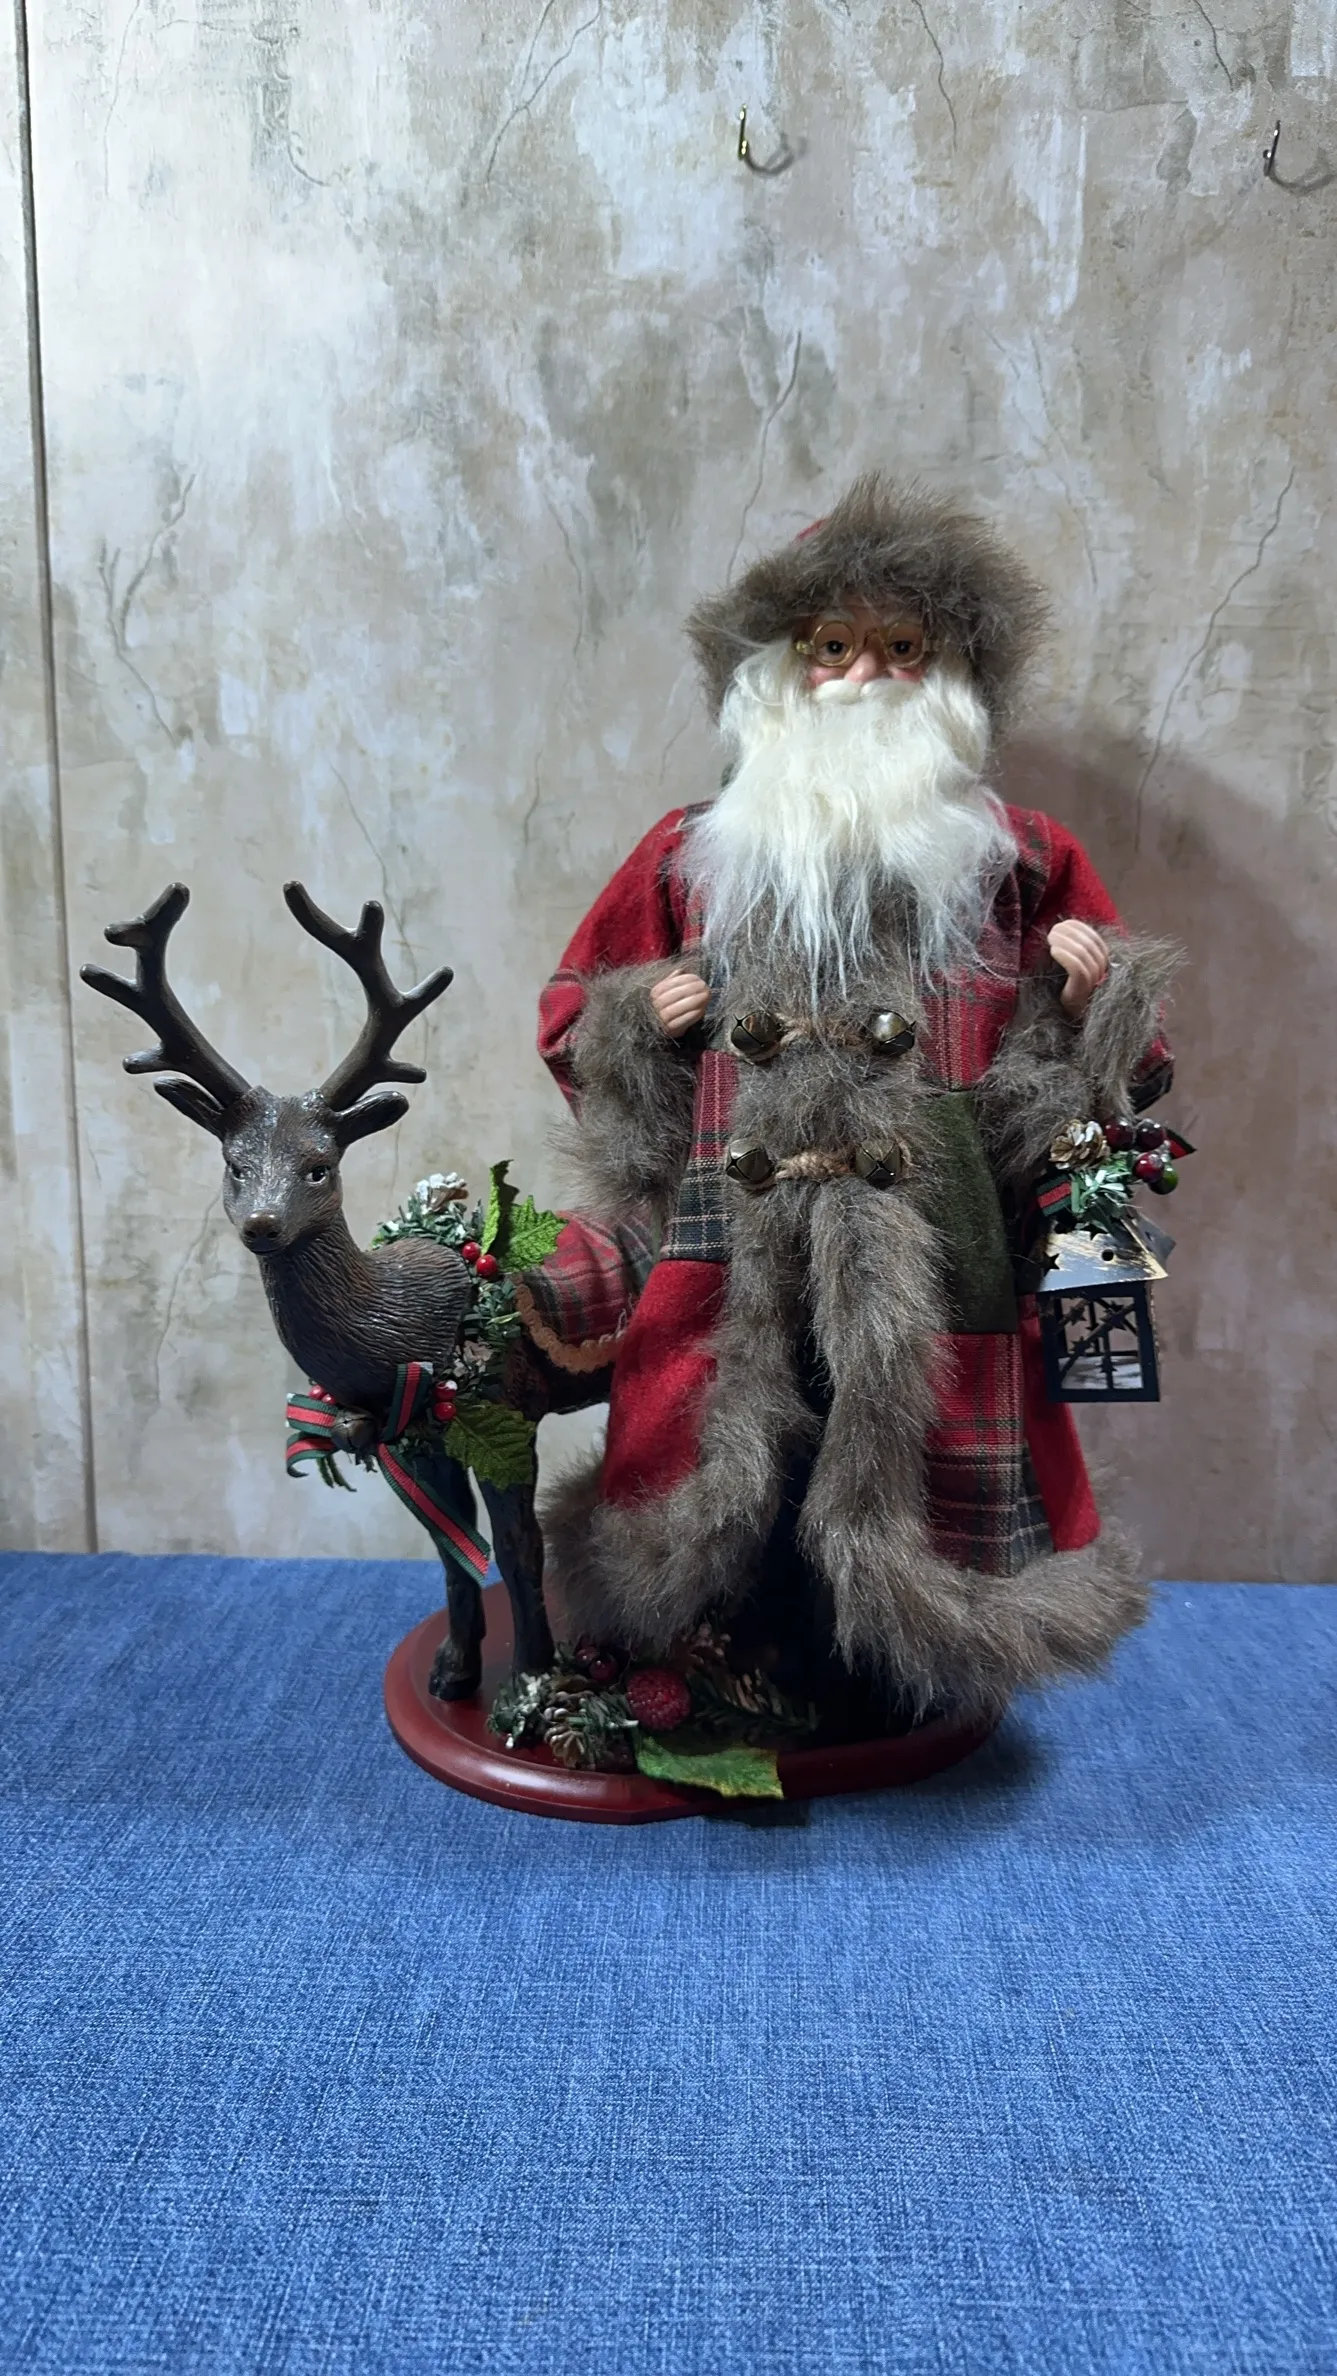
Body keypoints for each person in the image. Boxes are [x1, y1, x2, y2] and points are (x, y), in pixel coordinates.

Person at [536, 476, 1176, 1718]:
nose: (864, 674)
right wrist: (638, 1020)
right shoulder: (688, 854)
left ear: (952, 677)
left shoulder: (1020, 860)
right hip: (730, 1228)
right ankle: (715, 1644)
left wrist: (1084, 1002)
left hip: (936, 1235)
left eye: (901, 647)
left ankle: (895, 1669)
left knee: (915, 1456)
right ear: (778, 672)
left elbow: (1121, 1088)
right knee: (722, 1442)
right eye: (830, 646)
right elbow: (571, 1019)